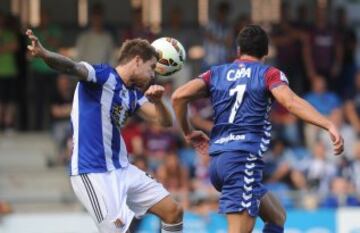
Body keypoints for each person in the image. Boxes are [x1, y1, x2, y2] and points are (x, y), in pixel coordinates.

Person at [171, 24, 344, 233]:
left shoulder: (216, 73)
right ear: (267, 52)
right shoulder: (268, 74)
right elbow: (290, 103)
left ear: (238, 50)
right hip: (241, 161)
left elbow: (178, 96)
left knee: (277, 217)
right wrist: (327, 123)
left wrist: (188, 132)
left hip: (218, 164)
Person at [26, 29, 183, 233]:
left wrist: (159, 101)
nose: (153, 75)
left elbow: (165, 121)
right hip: (92, 172)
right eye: (151, 67)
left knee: (173, 211)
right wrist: (45, 54)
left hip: (122, 168)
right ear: (137, 60)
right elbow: (71, 67)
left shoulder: (133, 94)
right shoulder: (102, 75)